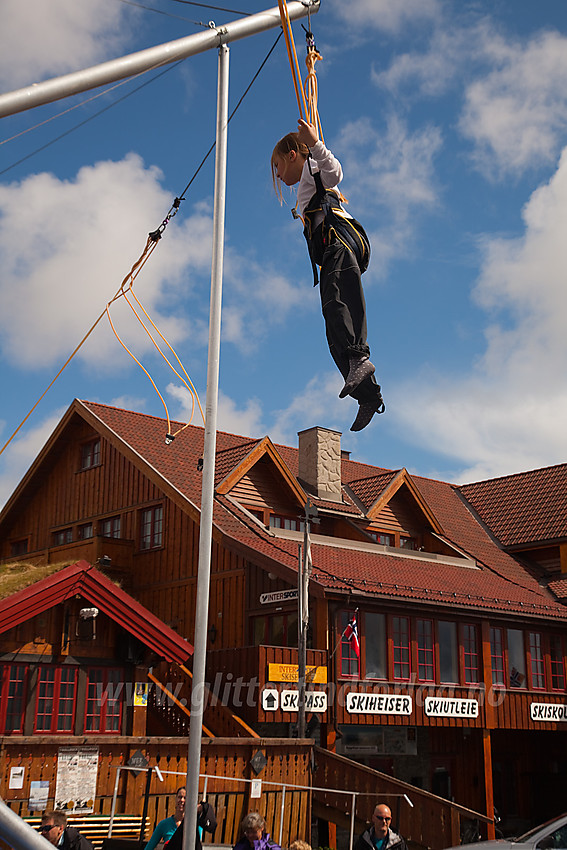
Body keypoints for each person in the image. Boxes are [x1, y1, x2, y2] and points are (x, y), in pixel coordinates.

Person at [271, 119, 385, 432]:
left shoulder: (312, 167)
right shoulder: (304, 187)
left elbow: (335, 172)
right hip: (336, 252)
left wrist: (315, 143)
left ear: (293, 155)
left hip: (342, 243)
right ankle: (368, 395)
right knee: (334, 326)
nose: (279, 175)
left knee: (336, 302)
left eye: (278, 166)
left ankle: (358, 361)